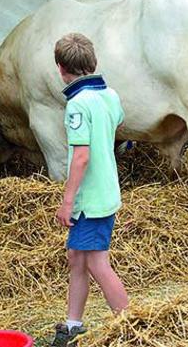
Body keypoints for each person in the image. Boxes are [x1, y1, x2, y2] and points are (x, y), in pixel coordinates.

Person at [51, 33, 129, 347]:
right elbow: (117, 124)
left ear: (60, 68)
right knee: (76, 256)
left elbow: (81, 156)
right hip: (106, 190)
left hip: (90, 199)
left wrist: (67, 201)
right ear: (92, 62)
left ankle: (131, 324)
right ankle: (73, 323)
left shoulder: (77, 105)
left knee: (97, 262)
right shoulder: (109, 94)